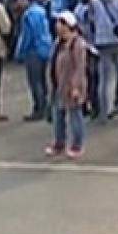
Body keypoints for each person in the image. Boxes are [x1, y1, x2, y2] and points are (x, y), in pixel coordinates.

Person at [47, 11, 87, 158]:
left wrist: (76, 87)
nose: (57, 25)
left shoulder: (77, 44)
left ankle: (77, 145)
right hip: (59, 85)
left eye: (60, 22)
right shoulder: (58, 42)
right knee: (58, 115)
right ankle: (59, 142)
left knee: (75, 116)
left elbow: (79, 67)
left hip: (71, 86)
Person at [13, 0, 52, 122]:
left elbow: (27, 37)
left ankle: (39, 108)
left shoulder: (28, 15)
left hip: (33, 50)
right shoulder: (41, 11)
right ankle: (46, 106)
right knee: (42, 80)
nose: (18, 3)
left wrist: (19, 52)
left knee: (35, 82)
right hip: (45, 47)